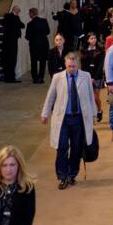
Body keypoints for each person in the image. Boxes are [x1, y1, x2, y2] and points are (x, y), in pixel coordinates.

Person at [41, 52, 96, 189]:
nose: (71, 69)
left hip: (78, 119)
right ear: (65, 64)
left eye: (73, 66)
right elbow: (50, 97)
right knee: (62, 148)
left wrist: (94, 114)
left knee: (76, 149)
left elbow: (90, 96)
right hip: (63, 119)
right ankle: (62, 176)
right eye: (69, 66)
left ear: (78, 64)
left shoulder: (86, 76)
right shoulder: (57, 78)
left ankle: (72, 175)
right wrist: (45, 113)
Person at [80, 32, 106, 124]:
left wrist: (94, 77)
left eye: (94, 38)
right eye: (91, 38)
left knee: (95, 96)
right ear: (88, 40)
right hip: (87, 76)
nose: (93, 40)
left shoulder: (100, 50)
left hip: (97, 77)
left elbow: (100, 65)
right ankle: (91, 114)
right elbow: (83, 65)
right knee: (88, 97)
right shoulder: (83, 50)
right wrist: (87, 77)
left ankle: (99, 110)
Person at [25, 7, 51, 84]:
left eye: (29, 13)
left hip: (34, 45)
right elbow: (48, 31)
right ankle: (41, 78)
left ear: (32, 14)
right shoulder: (44, 21)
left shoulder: (30, 24)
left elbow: (27, 36)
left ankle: (35, 79)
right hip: (44, 44)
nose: (29, 15)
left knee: (34, 62)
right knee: (43, 62)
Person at [0, 5, 24, 83]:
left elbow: (22, 25)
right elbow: (21, 25)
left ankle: (9, 77)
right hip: (10, 41)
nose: (19, 13)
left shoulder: (12, 17)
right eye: (18, 11)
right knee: (11, 59)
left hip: (10, 41)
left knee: (10, 59)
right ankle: (10, 77)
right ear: (16, 10)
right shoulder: (12, 17)